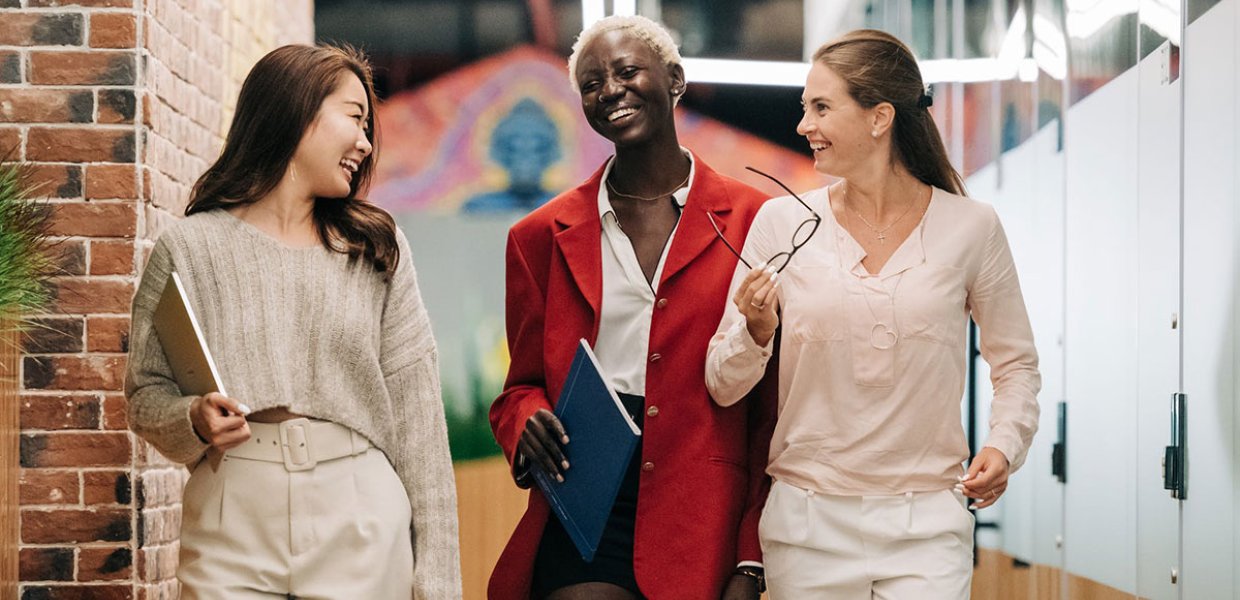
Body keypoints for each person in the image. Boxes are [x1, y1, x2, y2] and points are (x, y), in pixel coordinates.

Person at [705, 29, 1041, 598]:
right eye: (803, 107)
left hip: (928, 529)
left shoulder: (972, 227)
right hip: (807, 529)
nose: (802, 125)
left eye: (820, 108)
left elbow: (1017, 366)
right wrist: (756, 333)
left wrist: (1004, 444)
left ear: (879, 118)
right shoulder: (780, 225)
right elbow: (722, 383)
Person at [125, 44, 462, 599]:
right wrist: (192, 417)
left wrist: (440, 577)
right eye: (354, 117)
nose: (366, 142)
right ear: (296, 110)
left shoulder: (375, 250)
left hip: (359, 510)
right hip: (231, 510)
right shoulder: (187, 249)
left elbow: (420, 423)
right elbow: (143, 395)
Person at [488, 15, 778, 600]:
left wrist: (750, 558)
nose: (610, 91)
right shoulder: (538, 236)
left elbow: (770, 413)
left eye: (626, 71)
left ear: (674, 79)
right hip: (585, 493)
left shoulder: (757, 221)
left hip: (701, 508)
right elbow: (518, 388)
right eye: (592, 84)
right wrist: (525, 424)